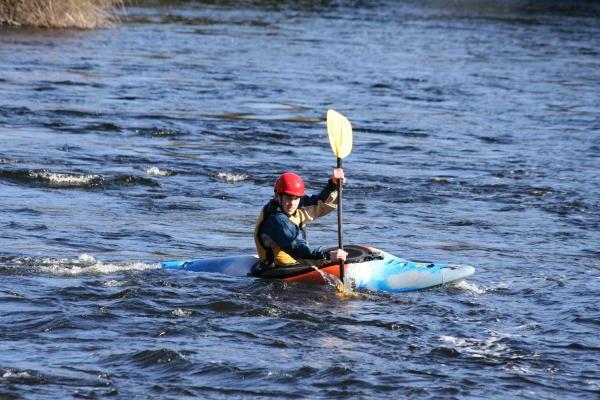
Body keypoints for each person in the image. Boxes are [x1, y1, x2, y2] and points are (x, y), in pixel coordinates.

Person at [253, 169, 348, 273]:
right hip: (276, 270)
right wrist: (327, 255)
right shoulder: (276, 220)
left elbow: (321, 204)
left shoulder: (295, 206)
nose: (293, 203)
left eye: (296, 198)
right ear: (277, 196)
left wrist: (333, 185)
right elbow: (297, 247)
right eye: (289, 198)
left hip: (296, 262)